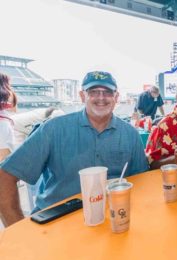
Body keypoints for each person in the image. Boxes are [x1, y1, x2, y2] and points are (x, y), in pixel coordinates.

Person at [0, 71, 148, 227]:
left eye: (107, 92)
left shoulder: (130, 134)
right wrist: (17, 230)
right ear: (82, 96)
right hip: (56, 223)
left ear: (116, 97)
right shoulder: (54, 129)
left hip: (112, 219)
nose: (101, 98)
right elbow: (5, 176)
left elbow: (143, 180)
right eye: (93, 92)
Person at [0, 73, 17, 162]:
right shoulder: (9, 93)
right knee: (5, 159)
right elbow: (14, 109)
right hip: (3, 125)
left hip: (3, 125)